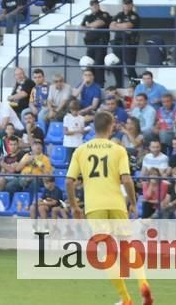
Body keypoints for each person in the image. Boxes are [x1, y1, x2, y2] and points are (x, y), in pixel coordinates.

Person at [66, 111, 151, 305]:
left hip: (95, 206)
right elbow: (127, 179)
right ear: (111, 126)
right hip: (116, 203)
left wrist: (74, 206)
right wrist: (133, 201)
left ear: (94, 126)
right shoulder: (118, 149)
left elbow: (69, 182)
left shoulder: (81, 150)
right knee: (127, 245)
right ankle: (143, 283)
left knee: (107, 253)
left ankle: (126, 298)